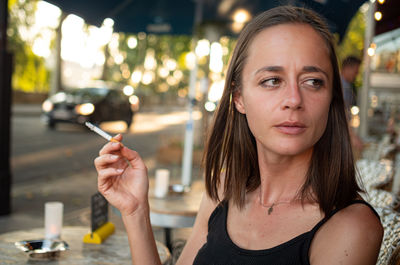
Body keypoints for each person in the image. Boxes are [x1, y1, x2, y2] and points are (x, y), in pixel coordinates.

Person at [94, 6, 383, 265]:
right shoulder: (223, 188)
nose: (293, 99)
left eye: (312, 82)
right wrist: (135, 212)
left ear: (332, 97)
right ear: (239, 97)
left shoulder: (350, 227)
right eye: (272, 81)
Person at [341, 56, 364, 156]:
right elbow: (341, 112)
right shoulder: (339, 85)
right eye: (355, 72)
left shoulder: (347, 85)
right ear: (347, 68)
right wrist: (352, 135)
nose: (357, 75)